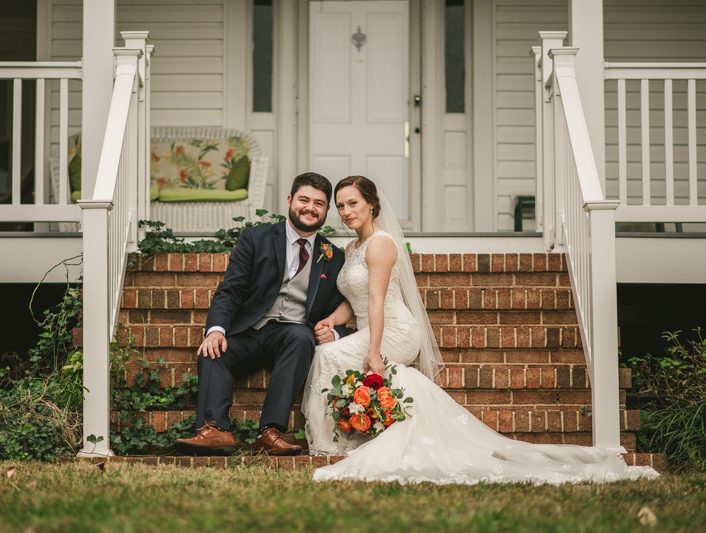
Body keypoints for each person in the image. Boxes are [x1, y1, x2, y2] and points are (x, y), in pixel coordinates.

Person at [302, 175, 660, 485]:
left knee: (329, 354)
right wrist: (333, 320)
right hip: (371, 328)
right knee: (330, 351)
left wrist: (373, 352)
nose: (346, 211)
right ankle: (347, 438)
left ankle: (330, 445)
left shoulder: (380, 244)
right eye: (341, 206)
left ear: (372, 205)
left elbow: (377, 302)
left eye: (353, 203)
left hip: (393, 330)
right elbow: (356, 297)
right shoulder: (352, 247)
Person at [174, 172, 346, 457]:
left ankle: (270, 432)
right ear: (290, 200)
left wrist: (334, 331)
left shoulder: (334, 255)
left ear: (326, 210)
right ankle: (215, 430)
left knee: (301, 336)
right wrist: (216, 329)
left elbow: (338, 308)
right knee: (211, 350)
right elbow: (231, 288)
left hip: (291, 337)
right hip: (249, 332)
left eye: (319, 203)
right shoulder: (257, 238)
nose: (310, 207)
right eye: (304, 199)